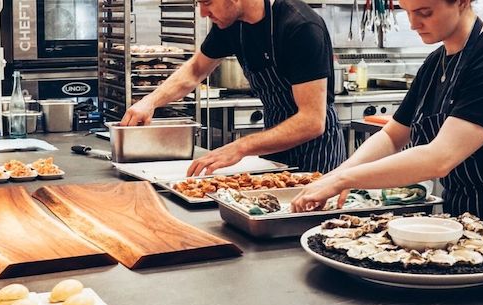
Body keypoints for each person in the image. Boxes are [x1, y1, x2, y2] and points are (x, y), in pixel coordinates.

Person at [291, 0, 483, 270]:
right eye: (407, 11)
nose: (413, 23)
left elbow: (439, 158)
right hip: (467, 219)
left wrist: (346, 180)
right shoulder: (436, 64)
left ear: (461, 1)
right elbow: (393, 135)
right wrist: (335, 176)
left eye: (424, 12)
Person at [120, 0, 346, 175]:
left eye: (207, 2)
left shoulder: (300, 26)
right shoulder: (231, 25)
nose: (202, 13)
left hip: (316, 154)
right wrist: (150, 102)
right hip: (273, 148)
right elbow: (195, 70)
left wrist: (240, 147)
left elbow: (311, 121)